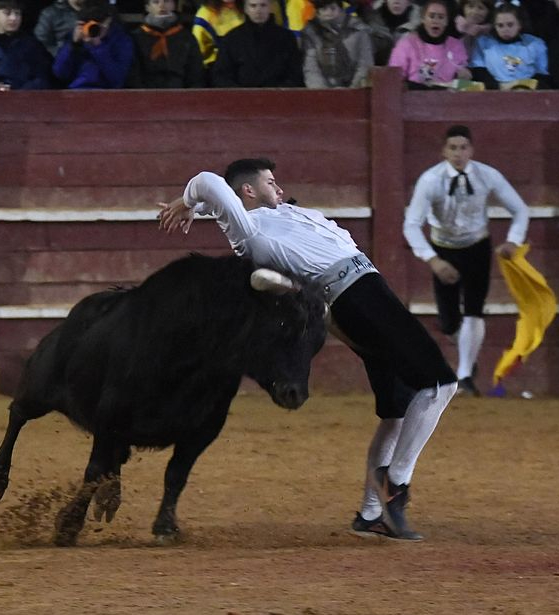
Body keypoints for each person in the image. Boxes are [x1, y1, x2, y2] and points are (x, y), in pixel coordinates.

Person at [159, 158, 458, 540]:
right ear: (247, 192)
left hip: (361, 291)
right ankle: (395, 484)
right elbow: (207, 181)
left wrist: (194, 206)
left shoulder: (277, 214)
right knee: (439, 383)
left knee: (397, 410)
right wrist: (188, 200)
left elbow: (213, 194)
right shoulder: (248, 229)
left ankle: (370, 516)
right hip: (355, 294)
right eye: (270, 182)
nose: (279, 188)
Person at [403, 125, 529, 397]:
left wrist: (513, 240)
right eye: (453, 148)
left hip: (477, 248)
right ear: (443, 151)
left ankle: (464, 375)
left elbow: (519, 210)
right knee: (449, 322)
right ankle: (467, 358)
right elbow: (411, 224)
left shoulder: (487, 175)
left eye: (463, 148)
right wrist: (434, 261)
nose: (458, 153)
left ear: (471, 150)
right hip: (444, 249)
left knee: (474, 309)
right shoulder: (430, 180)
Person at [210, 0, 303, 87]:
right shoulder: (231, 39)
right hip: (241, 100)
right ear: (246, 9)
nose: (258, 11)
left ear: (270, 7)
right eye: (253, 6)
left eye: (263, 5)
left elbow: (294, 74)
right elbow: (221, 75)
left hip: (279, 99)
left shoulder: (286, 38)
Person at [388, 0, 472, 89]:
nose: (436, 21)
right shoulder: (407, 43)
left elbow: (463, 76)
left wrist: (464, 76)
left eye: (441, 17)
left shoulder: (456, 46)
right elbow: (394, 77)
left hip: (447, 97)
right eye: (431, 16)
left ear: (446, 21)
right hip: (413, 96)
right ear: (423, 19)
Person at [52, 0, 136, 89]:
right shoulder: (75, 37)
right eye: (88, 24)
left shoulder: (121, 40)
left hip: (107, 93)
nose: (94, 28)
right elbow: (59, 73)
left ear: (108, 21)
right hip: (77, 91)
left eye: (98, 23)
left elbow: (117, 80)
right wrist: (73, 45)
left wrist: (98, 47)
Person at [469, 2, 550, 89]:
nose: (505, 29)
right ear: (494, 26)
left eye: (510, 25)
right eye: (500, 25)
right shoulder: (483, 43)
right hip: (493, 92)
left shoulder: (535, 44)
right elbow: (479, 72)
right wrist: (499, 87)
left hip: (527, 92)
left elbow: (541, 75)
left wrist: (522, 87)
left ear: (520, 24)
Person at [129, 0, 206, 88]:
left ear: (174, 5)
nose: (162, 6)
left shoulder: (186, 37)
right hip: (146, 95)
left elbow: (196, 73)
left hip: (181, 94)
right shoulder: (136, 37)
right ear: (147, 7)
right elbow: (134, 75)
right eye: (155, 2)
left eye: (166, 1)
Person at [302, 0, 374, 88]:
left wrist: (352, 92)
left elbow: (365, 64)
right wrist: (321, 93)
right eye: (324, 9)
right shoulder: (311, 31)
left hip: (354, 91)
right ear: (318, 11)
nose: (329, 12)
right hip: (322, 93)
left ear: (340, 8)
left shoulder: (358, 30)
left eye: (333, 8)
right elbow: (311, 67)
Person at [0, 0, 54, 90]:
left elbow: (43, 78)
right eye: (7, 13)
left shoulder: (31, 44)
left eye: (17, 13)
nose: (13, 18)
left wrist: (17, 90)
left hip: (27, 98)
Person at [364, 0, 421, 66]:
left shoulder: (422, 25)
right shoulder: (369, 18)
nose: (396, 1)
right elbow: (349, 11)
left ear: (409, 2)